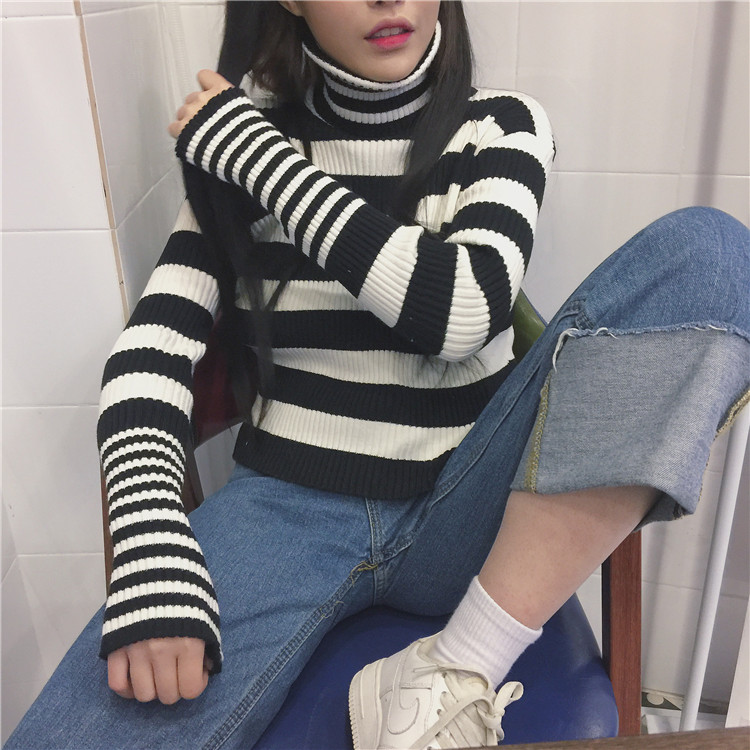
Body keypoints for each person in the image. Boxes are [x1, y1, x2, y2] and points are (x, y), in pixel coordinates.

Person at [6, 1, 749, 749]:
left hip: (471, 505)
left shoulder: (498, 126)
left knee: (711, 255)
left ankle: (459, 666)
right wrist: (149, 542)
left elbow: (462, 314)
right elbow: (148, 356)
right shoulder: (238, 142)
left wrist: (266, 163)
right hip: (285, 509)